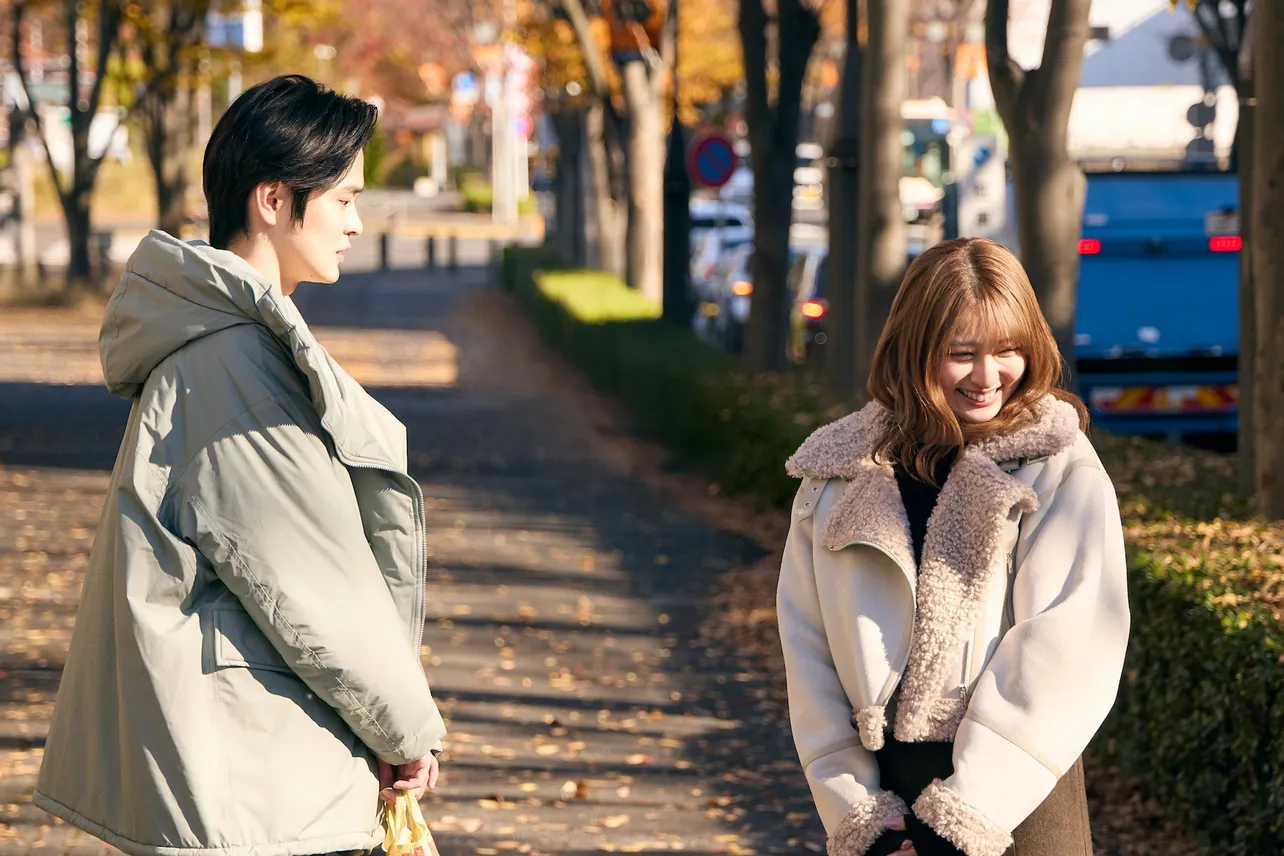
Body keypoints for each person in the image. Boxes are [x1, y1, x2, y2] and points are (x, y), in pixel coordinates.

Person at [34, 75, 447, 856]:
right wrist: (407, 729)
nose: (356, 223)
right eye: (343, 199)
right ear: (272, 200)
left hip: (252, 775)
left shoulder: (223, 346)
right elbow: (304, 581)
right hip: (260, 787)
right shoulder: (235, 363)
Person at [777, 237, 1130, 856]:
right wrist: (858, 815)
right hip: (882, 797)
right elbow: (808, 647)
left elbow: (1070, 646)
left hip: (1020, 796)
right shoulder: (839, 471)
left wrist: (967, 813)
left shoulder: (1056, 463)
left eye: (1009, 350)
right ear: (914, 350)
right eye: (961, 354)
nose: (989, 377)